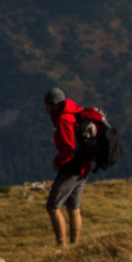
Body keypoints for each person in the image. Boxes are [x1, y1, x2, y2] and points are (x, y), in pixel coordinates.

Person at [44, 86, 91, 247]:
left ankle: (61, 246)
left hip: (71, 168)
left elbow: (70, 147)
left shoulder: (64, 119)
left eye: (47, 105)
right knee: (73, 207)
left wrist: (58, 162)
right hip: (84, 166)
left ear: (52, 105)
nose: (46, 109)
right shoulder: (75, 112)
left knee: (53, 206)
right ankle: (74, 245)